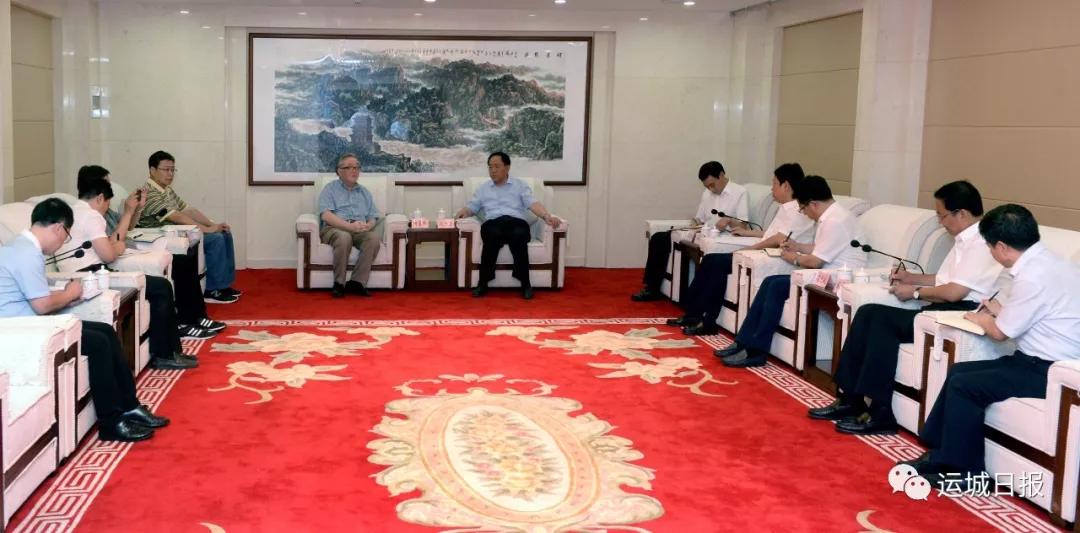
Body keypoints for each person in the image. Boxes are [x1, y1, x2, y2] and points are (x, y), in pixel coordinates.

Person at [898, 204, 1080, 484]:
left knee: (965, 385)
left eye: (990, 246)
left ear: (1002, 247)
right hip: (1037, 361)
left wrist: (981, 318)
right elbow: (1031, 316)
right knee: (959, 371)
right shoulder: (1051, 263)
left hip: (1050, 372)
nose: (990, 252)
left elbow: (999, 333)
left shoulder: (1033, 276)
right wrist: (999, 311)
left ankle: (966, 472)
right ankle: (940, 453)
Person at [808, 181, 1002, 435]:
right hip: (944, 308)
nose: (940, 222)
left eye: (942, 215)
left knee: (880, 320)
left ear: (962, 213)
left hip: (960, 313)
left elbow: (954, 292)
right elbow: (943, 279)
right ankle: (850, 399)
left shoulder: (981, 243)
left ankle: (881, 412)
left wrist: (915, 292)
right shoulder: (965, 239)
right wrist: (911, 277)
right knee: (868, 313)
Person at [0, 198, 170, 442]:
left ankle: (129, 406)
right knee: (99, 343)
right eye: (66, 236)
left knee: (105, 332)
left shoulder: (22, 246)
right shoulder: (27, 253)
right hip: (26, 330)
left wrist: (67, 297)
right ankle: (111, 422)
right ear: (58, 228)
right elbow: (42, 305)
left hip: (34, 322)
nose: (62, 243)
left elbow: (37, 297)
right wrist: (70, 293)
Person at [718, 175, 866, 368]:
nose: (804, 213)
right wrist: (797, 246)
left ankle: (756, 351)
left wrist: (793, 258)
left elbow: (815, 261)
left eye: (803, 208)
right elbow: (821, 248)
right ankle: (743, 342)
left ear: (813, 204)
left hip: (837, 279)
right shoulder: (833, 216)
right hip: (825, 273)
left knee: (775, 286)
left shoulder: (834, 221)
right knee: (771, 282)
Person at [56, 175, 200, 370]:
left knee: (159, 286)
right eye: (107, 203)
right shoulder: (91, 216)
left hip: (84, 275)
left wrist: (119, 236)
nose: (106, 208)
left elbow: (109, 241)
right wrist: (119, 247)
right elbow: (109, 254)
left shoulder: (73, 211)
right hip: (92, 276)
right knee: (161, 287)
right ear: (100, 198)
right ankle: (165, 354)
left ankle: (169, 352)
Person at [668, 163, 814, 335]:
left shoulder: (797, 210)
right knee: (711, 260)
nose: (772, 188)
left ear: (786, 186)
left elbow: (779, 239)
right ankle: (693, 314)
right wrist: (748, 232)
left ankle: (708, 322)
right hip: (765, 251)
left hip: (774, 257)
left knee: (718, 264)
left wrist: (750, 249)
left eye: (774, 183)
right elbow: (771, 233)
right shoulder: (786, 208)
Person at [81, 165, 226, 339]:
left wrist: (135, 209)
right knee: (177, 268)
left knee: (185, 261)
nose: (110, 189)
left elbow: (127, 228)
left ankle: (197, 317)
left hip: (126, 250)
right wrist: (124, 223)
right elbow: (112, 245)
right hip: (118, 260)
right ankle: (185, 322)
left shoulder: (106, 210)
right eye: (106, 184)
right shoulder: (91, 216)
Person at [631, 161, 749, 302]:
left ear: (721, 175)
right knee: (659, 238)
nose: (710, 189)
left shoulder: (739, 192)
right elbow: (699, 219)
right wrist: (695, 222)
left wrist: (729, 220)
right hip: (703, 232)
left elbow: (743, 226)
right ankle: (652, 288)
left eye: (712, 185)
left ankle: (690, 297)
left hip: (723, 235)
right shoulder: (707, 193)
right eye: (707, 186)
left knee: (690, 246)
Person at [137, 150, 241, 304]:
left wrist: (213, 225)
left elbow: (188, 210)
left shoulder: (166, 190)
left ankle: (223, 285)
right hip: (162, 236)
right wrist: (207, 230)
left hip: (178, 231)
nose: (170, 174)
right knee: (215, 239)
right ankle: (212, 290)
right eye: (166, 169)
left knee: (224, 233)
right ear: (152, 170)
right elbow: (177, 217)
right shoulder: (150, 193)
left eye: (173, 170)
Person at [455, 151, 560, 300]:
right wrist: (462, 213)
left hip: (515, 222)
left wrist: (546, 216)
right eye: (490, 167)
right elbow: (472, 207)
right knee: (491, 235)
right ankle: (483, 283)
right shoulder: (483, 188)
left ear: (507, 167)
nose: (493, 170)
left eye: (497, 166)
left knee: (519, 235)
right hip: (493, 223)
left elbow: (533, 204)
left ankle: (525, 283)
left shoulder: (519, 186)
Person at [316, 153, 382, 298]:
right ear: (339, 171)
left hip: (359, 229)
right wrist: (348, 226)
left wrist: (368, 226)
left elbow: (373, 217)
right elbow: (326, 215)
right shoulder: (330, 189)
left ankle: (357, 282)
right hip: (334, 228)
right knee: (344, 237)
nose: (354, 170)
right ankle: (339, 283)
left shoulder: (364, 192)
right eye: (349, 167)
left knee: (373, 238)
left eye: (357, 167)